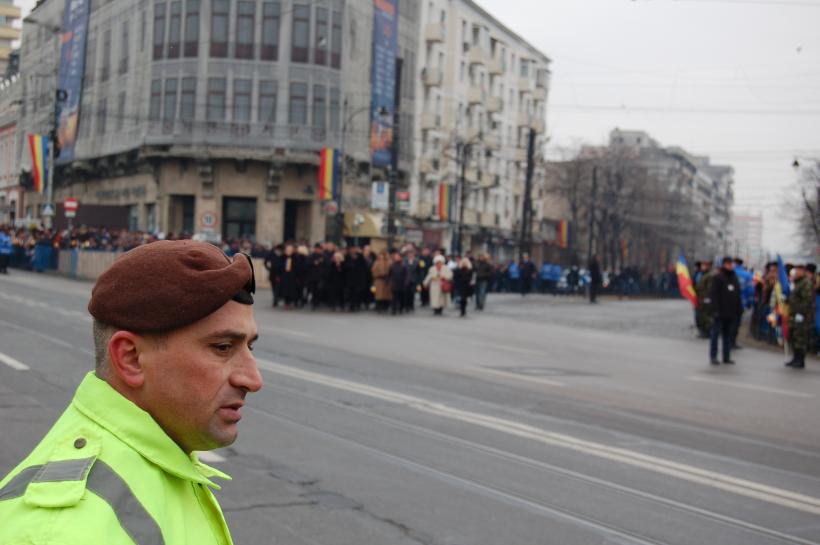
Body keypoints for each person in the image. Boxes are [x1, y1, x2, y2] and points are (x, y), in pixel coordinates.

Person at [0, 240, 262, 544]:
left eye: (250, 346)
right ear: (131, 358)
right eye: (222, 347)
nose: (253, 379)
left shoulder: (166, 456)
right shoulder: (64, 531)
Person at [709, 257, 742, 365]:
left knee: (727, 335)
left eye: (731, 264)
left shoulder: (734, 277)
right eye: (728, 264)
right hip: (719, 312)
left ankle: (726, 357)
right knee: (715, 334)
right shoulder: (718, 277)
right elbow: (714, 294)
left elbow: (737, 294)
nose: (730, 266)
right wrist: (715, 309)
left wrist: (738, 309)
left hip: (730, 312)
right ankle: (713, 356)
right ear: (723, 264)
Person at [785, 263, 815, 369]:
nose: (796, 273)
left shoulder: (806, 283)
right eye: (796, 271)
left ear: (803, 272)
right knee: (793, 336)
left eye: (798, 271)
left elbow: (807, 300)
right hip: (794, 314)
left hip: (802, 315)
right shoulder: (798, 283)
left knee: (800, 338)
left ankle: (800, 359)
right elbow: (795, 297)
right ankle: (795, 358)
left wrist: (800, 313)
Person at [388, 250, 409, 315]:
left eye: (397, 257)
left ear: (400, 258)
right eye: (395, 257)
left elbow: (407, 275)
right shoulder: (392, 265)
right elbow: (389, 274)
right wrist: (389, 281)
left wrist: (406, 282)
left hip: (402, 284)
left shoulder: (404, 266)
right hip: (394, 284)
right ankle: (393, 309)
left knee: (401, 298)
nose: (396, 258)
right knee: (394, 297)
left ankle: (401, 308)